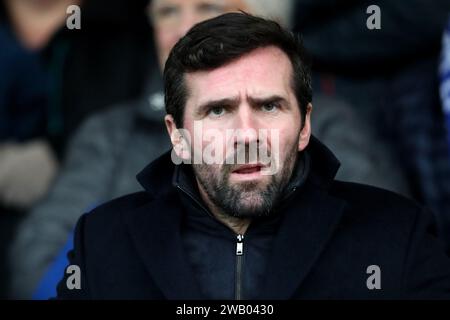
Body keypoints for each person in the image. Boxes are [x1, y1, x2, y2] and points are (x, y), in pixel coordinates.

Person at [55, 13, 450, 300]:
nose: (246, 135)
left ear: (305, 126)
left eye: (269, 106)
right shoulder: (105, 239)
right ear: (178, 137)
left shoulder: (396, 234)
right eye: (218, 110)